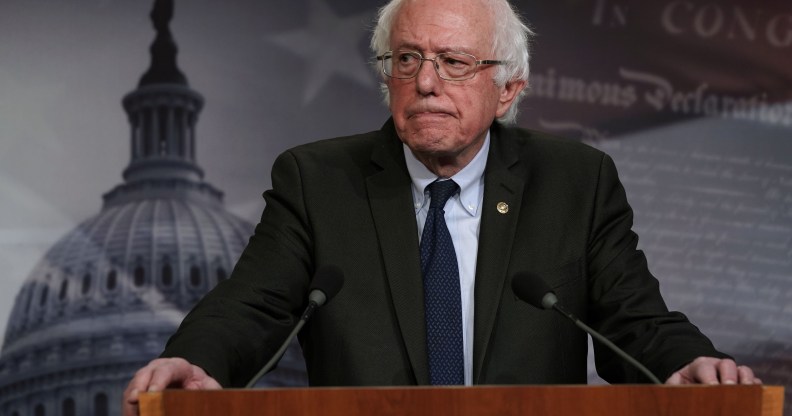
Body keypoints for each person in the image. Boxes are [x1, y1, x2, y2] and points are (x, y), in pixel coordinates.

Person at [123, 0, 760, 413]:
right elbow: (253, 303)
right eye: (408, 60)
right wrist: (196, 360)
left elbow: (633, 318)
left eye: (453, 62)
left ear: (509, 88)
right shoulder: (317, 181)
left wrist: (689, 365)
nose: (426, 83)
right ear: (386, 76)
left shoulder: (575, 182)